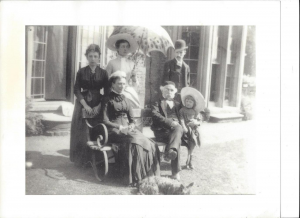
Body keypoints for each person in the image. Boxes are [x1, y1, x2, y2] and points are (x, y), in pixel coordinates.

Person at [101, 71, 160, 186]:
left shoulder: (126, 99)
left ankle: (150, 176)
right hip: (113, 130)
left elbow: (132, 118)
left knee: (150, 143)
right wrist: (119, 127)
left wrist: (132, 124)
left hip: (127, 129)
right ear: (112, 84)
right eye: (119, 84)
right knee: (136, 142)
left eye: (123, 84)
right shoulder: (107, 99)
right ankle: (136, 177)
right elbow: (105, 120)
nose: (122, 86)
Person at [70, 44, 109, 167]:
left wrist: (99, 106)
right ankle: (82, 160)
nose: (93, 59)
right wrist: (85, 105)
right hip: (83, 103)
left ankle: (96, 159)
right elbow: (76, 90)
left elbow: (107, 92)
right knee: (82, 131)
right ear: (87, 57)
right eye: (90, 56)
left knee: (96, 129)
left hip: (98, 102)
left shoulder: (103, 73)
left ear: (99, 58)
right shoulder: (81, 72)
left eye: (95, 56)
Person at [151, 81, 185, 181]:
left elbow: (187, 113)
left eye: (171, 90)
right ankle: (175, 172)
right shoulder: (156, 102)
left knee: (178, 130)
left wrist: (195, 120)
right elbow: (155, 115)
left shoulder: (178, 104)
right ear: (162, 91)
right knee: (177, 140)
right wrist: (170, 122)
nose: (169, 92)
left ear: (174, 92)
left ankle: (171, 150)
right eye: (167, 89)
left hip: (174, 132)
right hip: (162, 131)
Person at [106, 34, 140, 108]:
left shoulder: (131, 64)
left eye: (127, 47)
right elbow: (107, 81)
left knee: (133, 102)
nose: (125, 49)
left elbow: (135, 84)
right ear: (117, 48)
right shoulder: (112, 62)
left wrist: (134, 77)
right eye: (123, 46)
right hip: (114, 91)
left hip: (127, 90)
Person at [179, 87, 204, 169]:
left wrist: (196, 122)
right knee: (189, 141)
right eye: (187, 101)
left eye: (190, 101)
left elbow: (199, 121)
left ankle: (190, 161)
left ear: (194, 103)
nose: (188, 103)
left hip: (193, 129)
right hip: (186, 130)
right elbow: (181, 119)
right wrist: (183, 126)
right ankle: (187, 162)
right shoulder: (182, 110)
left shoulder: (195, 112)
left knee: (193, 143)